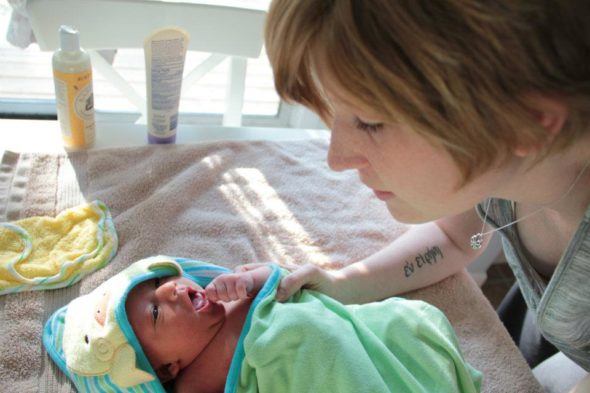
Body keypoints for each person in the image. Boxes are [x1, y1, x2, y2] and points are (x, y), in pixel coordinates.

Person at [262, 1, 590, 392]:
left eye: (370, 122)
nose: (337, 159)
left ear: (525, 124)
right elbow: (456, 240)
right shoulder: (505, 163)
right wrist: (342, 285)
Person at [43, 256, 482, 393]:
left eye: (159, 281)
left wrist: (248, 280)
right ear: (165, 368)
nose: (173, 289)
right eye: (156, 312)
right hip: (306, 368)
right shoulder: (191, 382)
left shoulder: (226, 294)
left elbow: (277, 279)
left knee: (403, 329)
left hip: (332, 333)